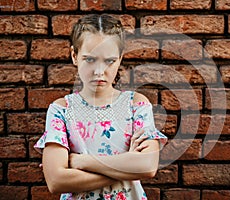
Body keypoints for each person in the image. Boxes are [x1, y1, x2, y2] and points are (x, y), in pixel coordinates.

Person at [34, 14, 168, 200]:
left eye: (109, 61)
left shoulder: (136, 105)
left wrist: (82, 161)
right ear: (74, 55)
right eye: (90, 59)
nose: (99, 71)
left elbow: (147, 166)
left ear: (120, 58)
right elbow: (56, 181)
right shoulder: (62, 110)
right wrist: (126, 166)